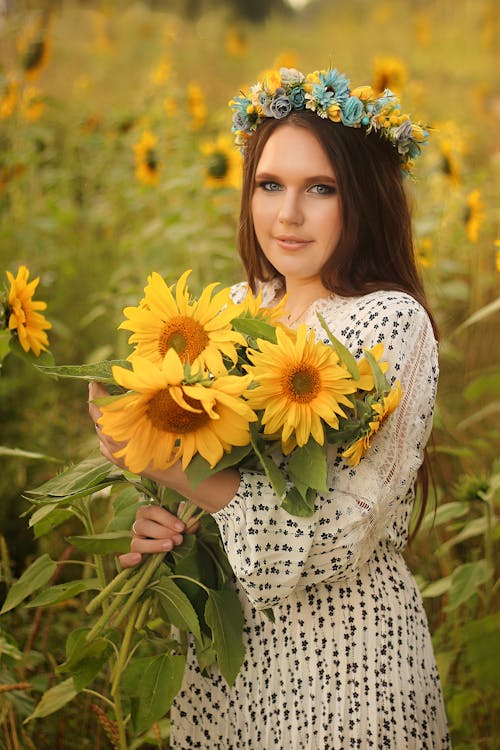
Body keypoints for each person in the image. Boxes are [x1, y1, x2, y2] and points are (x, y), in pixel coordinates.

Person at [89, 66, 450, 749]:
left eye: (321, 188)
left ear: (365, 199)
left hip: (348, 678)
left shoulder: (388, 324)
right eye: (270, 185)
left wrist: (169, 466)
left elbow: (338, 532)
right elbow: (209, 494)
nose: (287, 215)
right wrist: (165, 528)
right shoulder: (225, 313)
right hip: (229, 674)